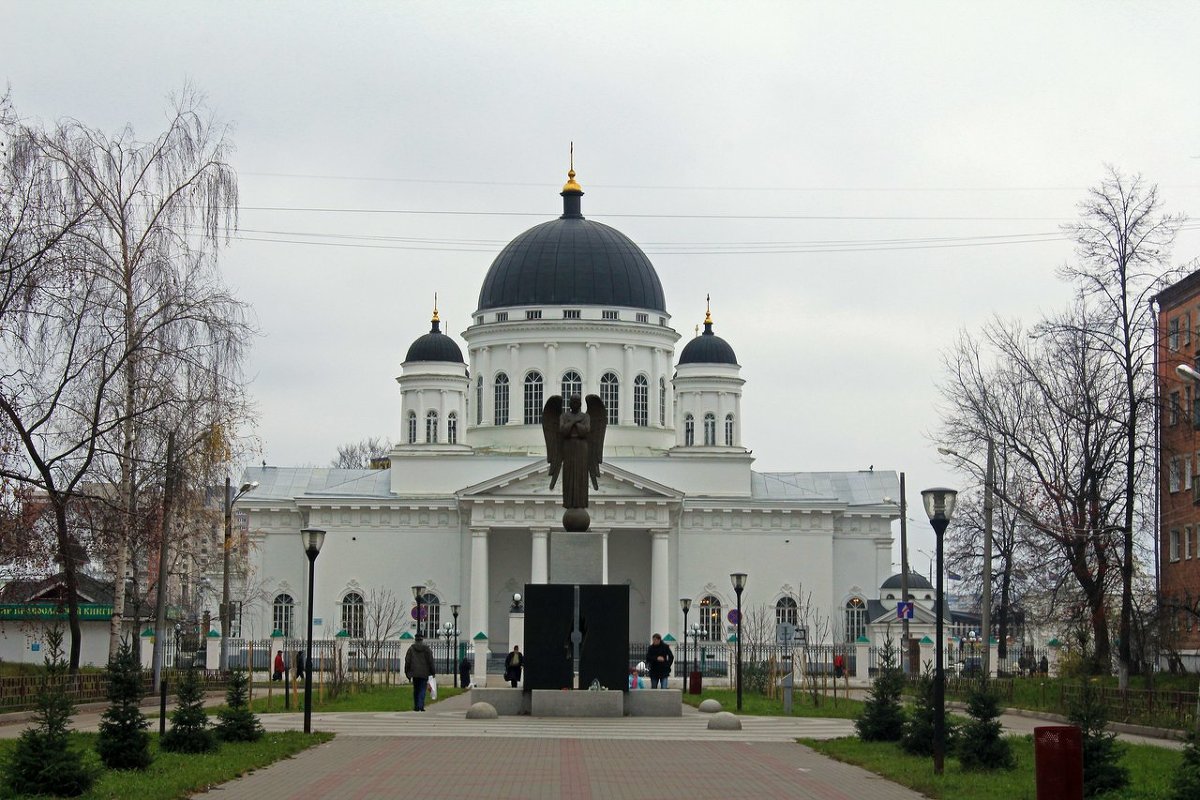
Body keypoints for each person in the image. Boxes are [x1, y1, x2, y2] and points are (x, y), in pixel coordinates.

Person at [404, 633, 436, 711]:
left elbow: (407, 661)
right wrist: (433, 672)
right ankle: (420, 706)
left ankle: (416, 706)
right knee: (422, 689)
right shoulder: (427, 649)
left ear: (415, 639)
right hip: (424, 673)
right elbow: (430, 661)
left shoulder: (411, 649)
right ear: (422, 639)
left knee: (416, 689)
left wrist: (407, 672)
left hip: (414, 673)